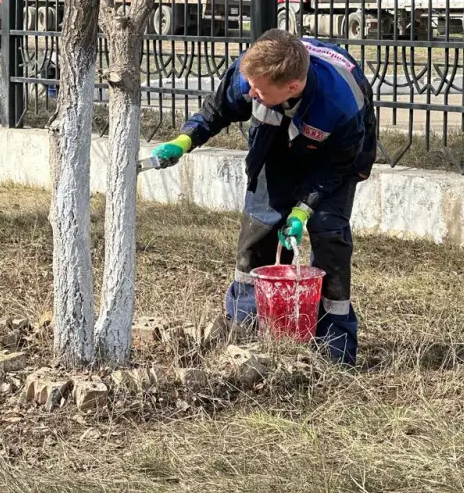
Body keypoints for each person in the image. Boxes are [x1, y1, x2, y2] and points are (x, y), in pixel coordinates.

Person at [150, 29, 376, 365]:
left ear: (292, 87)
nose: (250, 93)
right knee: (259, 227)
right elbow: (217, 109)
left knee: (329, 236)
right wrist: (183, 141)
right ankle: (243, 326)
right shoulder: (254, 72)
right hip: (276, 145)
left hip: (335, 160)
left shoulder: (341, 105)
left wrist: (303, 210)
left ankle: (334, 344)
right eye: (250, 86)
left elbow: (337, 168)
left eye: (258, 91)